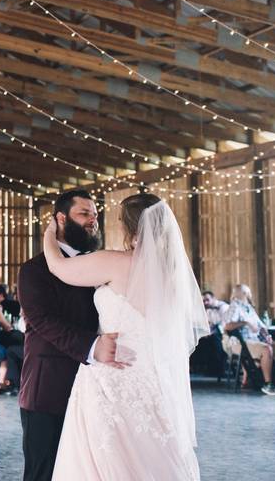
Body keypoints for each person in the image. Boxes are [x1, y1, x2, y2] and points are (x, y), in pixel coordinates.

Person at [41, 192, 209, 480]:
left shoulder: (115, 262)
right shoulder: (172, 276)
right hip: (153, 384)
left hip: (111, 382)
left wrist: (48, 233)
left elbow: (58, 267)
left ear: (131, 227)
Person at [19, 188, 117, 481]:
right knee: (43, 472)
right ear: (61, 219)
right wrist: (93, 346)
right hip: (49, 390)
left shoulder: (102, 264)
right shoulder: (34, 270)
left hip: (96, 389)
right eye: (84, 213)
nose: (93, 221)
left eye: (95, 215)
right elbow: (42, 321)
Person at [224, 283, 275, 395]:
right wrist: (245, 322)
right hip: (242, 343)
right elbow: (227, 326)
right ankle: (268, 384)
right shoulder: (235, 306)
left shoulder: (249, 308)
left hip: (256, 340)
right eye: (248, 292)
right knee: (266, 350)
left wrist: (266, 335)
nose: (250, 294)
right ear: (244, 293)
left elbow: (261, 326)